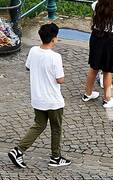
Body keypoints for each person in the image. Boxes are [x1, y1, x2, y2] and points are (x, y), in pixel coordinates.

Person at [9, 23, 69, 170]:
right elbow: (60, 79)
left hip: (38, 98)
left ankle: (18, 150)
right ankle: (56, 157)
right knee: (56, 128)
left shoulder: (34, 51)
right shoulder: (55, 57)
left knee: (39, 125)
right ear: (54, 39)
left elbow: (28, 66)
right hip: (53, 100)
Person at [82, 0, 113, 111]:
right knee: (107, 70)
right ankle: (107, 98)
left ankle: (87, 93)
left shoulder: (95, 5)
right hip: (109, 39)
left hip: (95, 37)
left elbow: (97, 0)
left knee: (93, 67)